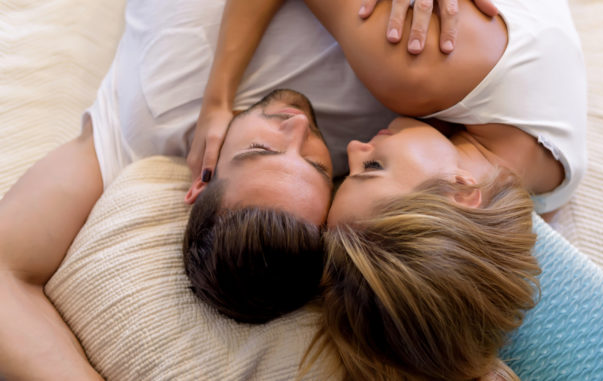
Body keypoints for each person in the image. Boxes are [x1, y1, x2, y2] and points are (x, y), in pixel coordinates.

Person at [1, 0, 491, 378]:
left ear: (200, 180)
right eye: (320, 170)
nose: (298, 127)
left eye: (259, 150)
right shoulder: (386, 148)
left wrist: (219, 94)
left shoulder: (139, 125)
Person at [195, 0, 585, 379]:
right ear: (461, 191)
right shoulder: (417, 71)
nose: (352, 148)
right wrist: (216, 101)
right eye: (372, 167)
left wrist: (216, 100)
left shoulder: (548, 190)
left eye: (352, 172)